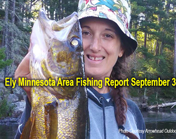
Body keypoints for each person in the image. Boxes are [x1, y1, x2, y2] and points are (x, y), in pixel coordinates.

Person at [14, 0, 146, 138]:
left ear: (121, 48)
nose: (95, 46)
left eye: (108, 35)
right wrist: (34, 102)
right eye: (86, 33)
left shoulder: (133, 114)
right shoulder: (52, 96)